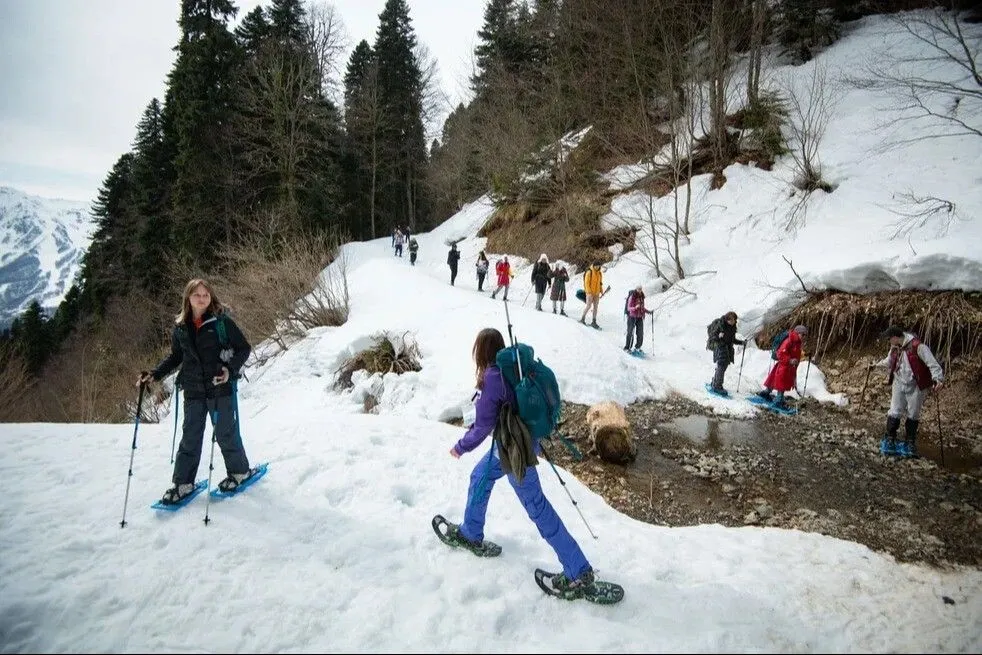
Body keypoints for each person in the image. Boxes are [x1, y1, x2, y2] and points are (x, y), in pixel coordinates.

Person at [446, 327, 597, 592]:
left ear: (481, 352)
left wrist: (460, 447)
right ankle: (470, 532)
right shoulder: (513, 367)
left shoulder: (494, 377)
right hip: (514, 443)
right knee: (480, 476)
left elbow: (482, 427)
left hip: (516, 451)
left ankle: (578, 571)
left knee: (537, 507)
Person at [137, 279, 259, 505]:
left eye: (205, 294)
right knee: (190, 436)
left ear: (211, 296)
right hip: (193, 391)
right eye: (197, 295)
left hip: (218, 388)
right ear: (188, 298)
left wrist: (229, 370)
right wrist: (155, 374)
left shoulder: (221, 323)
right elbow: (176, 357)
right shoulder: (181, 327)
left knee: (225, 433)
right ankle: (183, 483)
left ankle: (239, 472)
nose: (202, 298)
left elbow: (243, 348)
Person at [869, 326, 944, 457]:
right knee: (894, 410)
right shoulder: (895, 347)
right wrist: (876, 365)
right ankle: (890, 439)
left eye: (889, 339)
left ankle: (910, 443)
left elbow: (932, 363)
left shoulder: (919, 347)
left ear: (895, 337)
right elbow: (889, 361)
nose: (888, 341)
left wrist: (938, 379)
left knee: (913, 413)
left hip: (916, 385)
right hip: (899, 382)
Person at [757, 325, 807, 409]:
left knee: (774, 380)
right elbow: (780, 353)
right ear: (798, 333)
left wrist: (804, 355)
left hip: (788, 367)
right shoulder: (789, 341)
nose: (804, 337)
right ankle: (778, 401)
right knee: (781, 383)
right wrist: (790, 360)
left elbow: (795, 353)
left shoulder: (797, 342)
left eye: (805, 335)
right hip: (784, 366)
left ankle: (766, 394)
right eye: (803, 334)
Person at [706, 311, 745, 393]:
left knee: (723, 366)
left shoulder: (732, 327)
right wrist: (718, 336)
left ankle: (715, 382)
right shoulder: (720, 325)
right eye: (730, 320)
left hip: (727, 348)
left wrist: (742, 342)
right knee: (722, 366)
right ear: (727, 319)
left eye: (734, 320)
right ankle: (717, 386)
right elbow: (713, 337)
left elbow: (733, 340)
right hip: (720, 347)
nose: (732, 322)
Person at [624, 286, 655, 353]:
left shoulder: (641, 297)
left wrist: (649, 312)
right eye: (638, 289)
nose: (640, 290)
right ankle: (627, 347)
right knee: (630, 332)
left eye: (641, 289)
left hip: (639, 317)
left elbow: (642, 308)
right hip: (632, 317)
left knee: (640, 333)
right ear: (636, 289)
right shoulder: (632, 297)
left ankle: (637, 347)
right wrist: (635, 308)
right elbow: (628, 308)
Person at [579, 261, 603, 328]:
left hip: (597, 293)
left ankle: (594, 321)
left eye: (598, 266)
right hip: (590, 293)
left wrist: (601, 290)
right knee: (588, 306)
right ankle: (582, 318)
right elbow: (586, 283)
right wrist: (589, 292)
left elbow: (600, 283)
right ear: (594, 266)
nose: (597, 267)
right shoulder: (589, 272)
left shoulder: (599, 273)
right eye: (596, 266)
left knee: (595, 307)